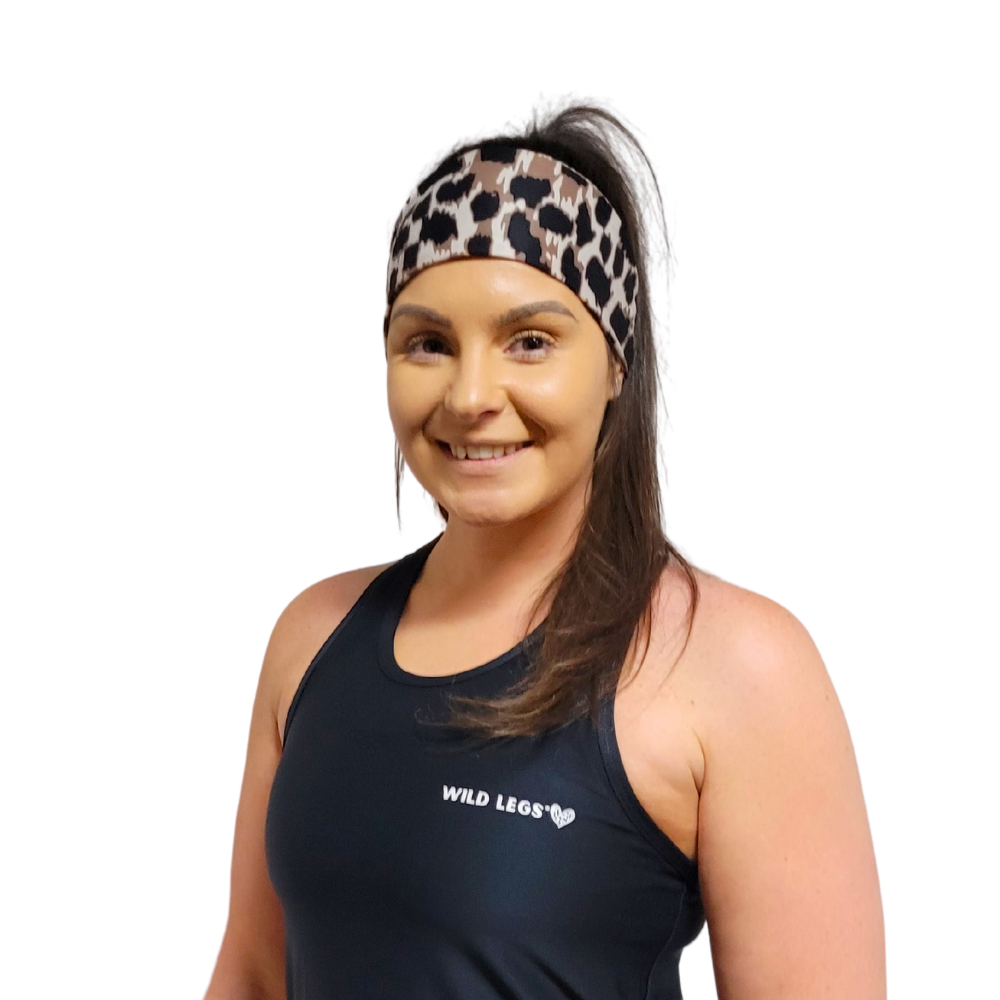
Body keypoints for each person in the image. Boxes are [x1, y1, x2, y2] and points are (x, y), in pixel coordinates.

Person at [202, 102, 886, 1000]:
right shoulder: (313, 636)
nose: (471, 394)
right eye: (428, 344)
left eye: (530, 341)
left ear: (615, 363)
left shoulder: (735, 665)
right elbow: (252, 976)